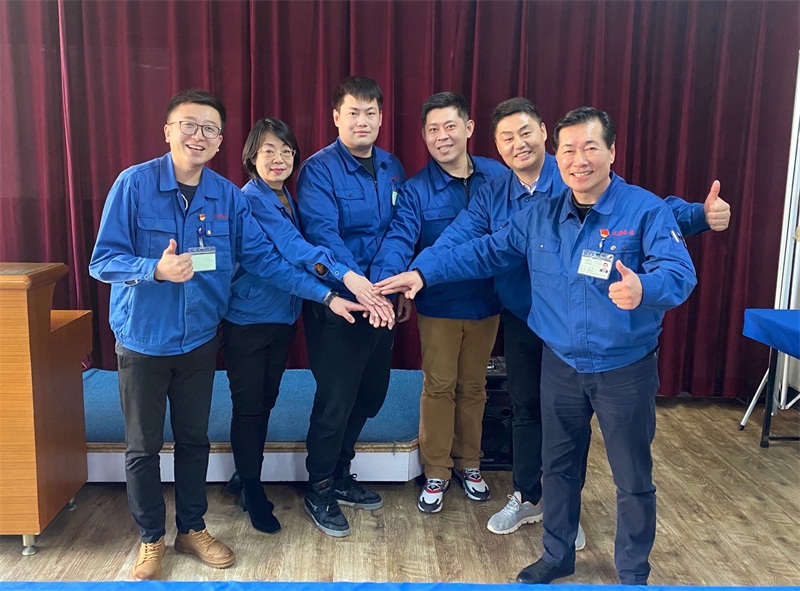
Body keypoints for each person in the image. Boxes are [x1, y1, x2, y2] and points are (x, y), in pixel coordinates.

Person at [375, 107, 700, 585]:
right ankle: (557, 553)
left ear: (612, 151)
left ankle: (633, 572)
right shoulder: (539, 215)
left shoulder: (645, 210)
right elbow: (484, 250)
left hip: (622, 368)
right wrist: (423, 272)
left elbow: (678, 272)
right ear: (557, 153)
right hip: (561, 363)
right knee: (558, 467)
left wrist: (645, 288)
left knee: (632, 477)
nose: (578, 160)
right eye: (569, 150)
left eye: (590, 148)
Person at [89, 90, 366, 580]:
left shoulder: (227, 197)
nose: (198, 136)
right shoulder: (133, 184)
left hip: (199, 338)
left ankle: (192, 528)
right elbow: (103, 260)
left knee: (194, 440)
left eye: (210, 129)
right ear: (168, 131)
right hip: (143, 340)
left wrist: (326, 297)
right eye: (189, 125)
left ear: (220, 141)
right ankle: (151, 537)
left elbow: (264, 260)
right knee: (143, 447)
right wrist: (154, 269)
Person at [221, 118, 393, 535]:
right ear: (251, 157)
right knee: (250, 406)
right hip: (248, 320)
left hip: (281, 318)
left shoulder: (284, 196)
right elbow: (283, 257)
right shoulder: (252, 200)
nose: (278, 159)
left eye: (286, 151)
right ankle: (252, 488)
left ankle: (243, 475)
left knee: (266, 400)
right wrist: (332, 290)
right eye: (268, 151)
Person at [370, 92, 506, 513]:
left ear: (468, 128)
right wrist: (385, 285)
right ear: (424, 136)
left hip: (488, 303)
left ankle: (470, 463)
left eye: (450, 126)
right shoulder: (415, 190)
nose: (442, 136)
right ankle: (436, 469)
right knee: (440, 387)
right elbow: (400, 239)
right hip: (440, 306)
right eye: (433, 129)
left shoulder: (498, 176)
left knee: (475, 387)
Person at [295, 76, 406, 537]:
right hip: (339, 303)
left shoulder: (392, 166)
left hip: (380, 301)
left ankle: (342, 473)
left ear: (381, 117)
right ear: (336, 117)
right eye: (353, 113)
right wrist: (360, 287)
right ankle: (318, 487)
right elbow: (323, 235)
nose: (363, 121)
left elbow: (399, 231)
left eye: (371, 113)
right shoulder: (318, 170)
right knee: (336, 399)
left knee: (371, 394)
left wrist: (384, 289)